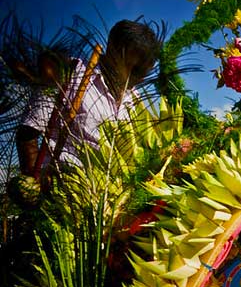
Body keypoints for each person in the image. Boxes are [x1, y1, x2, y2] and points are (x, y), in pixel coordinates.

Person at [16, 19, 161, 176]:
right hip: (61, 187)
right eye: (136, 70)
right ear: (114, 50)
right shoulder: (70, 73)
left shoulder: (133, 98)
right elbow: (28, 133)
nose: (139, 80)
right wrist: (35, 182)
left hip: (109, 194)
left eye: (144, 74)